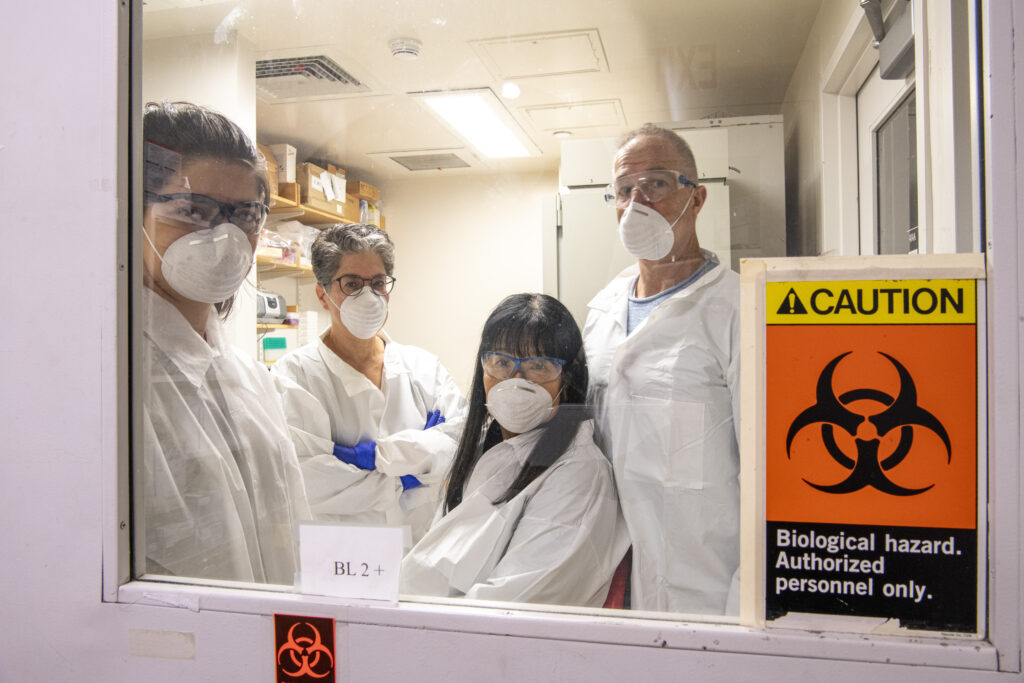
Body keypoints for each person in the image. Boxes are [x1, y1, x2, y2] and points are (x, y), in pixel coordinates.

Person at [140, 101, 311, 584]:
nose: (227, 236)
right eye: (192, 211)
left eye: (246, 215)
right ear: (131, 211)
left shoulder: (248, 378)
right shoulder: (117, 382)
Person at [583, 124, 740, 615]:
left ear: (697, 198)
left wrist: (746, 603)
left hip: (702, 581)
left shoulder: (737, 308)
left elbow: (769, 474)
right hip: (606, 571)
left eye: (656, 184)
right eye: (624, 190)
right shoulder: (602, 307)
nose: (637, 202)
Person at [400, 294, 628, 606]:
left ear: (568, 376)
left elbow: (516, 602)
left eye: (538, 366)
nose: (516, 380)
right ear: (483, 368)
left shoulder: (579, 473)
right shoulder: (481, 448)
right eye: (502, 363)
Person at [272, 224, 467, 543]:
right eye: (351, 284)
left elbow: (461, 446)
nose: (369, 296)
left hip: (422, 550)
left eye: (378, 283)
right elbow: (310, 482)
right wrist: (410, 472)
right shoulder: (294, 377)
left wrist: (370, 463)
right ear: (322, 294)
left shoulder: (423, 368)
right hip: (342, 558)